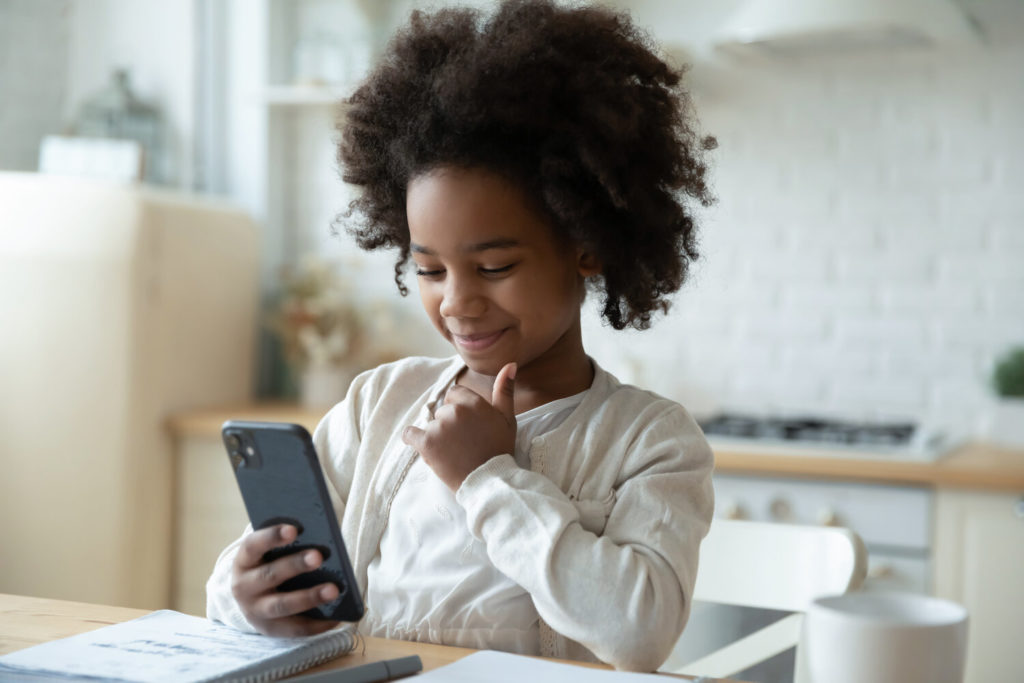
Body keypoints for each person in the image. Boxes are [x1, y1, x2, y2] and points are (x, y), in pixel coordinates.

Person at [206, 0, 716, 672]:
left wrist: (487, 477)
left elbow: (639, 632)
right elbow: (241, 590)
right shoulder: (378, 404)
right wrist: (244, 597)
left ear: (587, 245)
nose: (457, 301)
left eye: (495, 266)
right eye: (428, 268)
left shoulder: (652, 442)